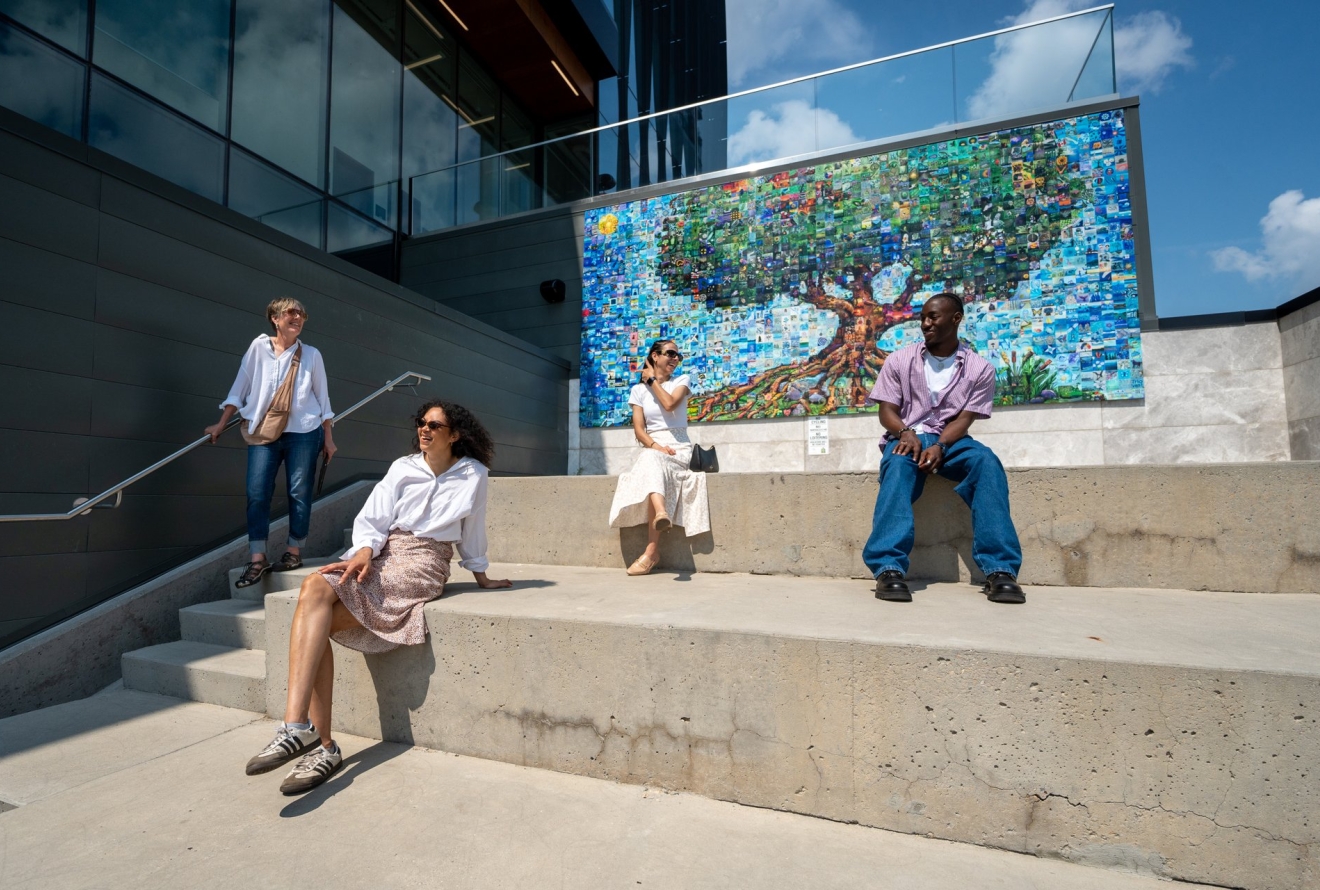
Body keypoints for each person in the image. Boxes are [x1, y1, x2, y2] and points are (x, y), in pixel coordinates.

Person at [244, 400, 512, 794]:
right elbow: (374, 517)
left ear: (454, 434)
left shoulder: (473, 473)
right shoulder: (403, 467)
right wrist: (364, 550)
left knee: (312, 632)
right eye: (421, 422)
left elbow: (473, 527)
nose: (424, 430)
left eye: (434, 425)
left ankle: (321, 745)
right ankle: (299, 728)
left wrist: (481, 574)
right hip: (384, 551)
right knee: (314, 586)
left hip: (425, 561)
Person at [863, 293, 1026, 605]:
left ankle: (1001, 571)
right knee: (897, 466)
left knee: (986, 462)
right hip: (906, 436)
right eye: (923, 317)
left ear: (955, 319)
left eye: (933, 317)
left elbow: (964, 420)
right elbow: (886, 412)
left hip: (951, 441)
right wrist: (904, 432)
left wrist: (939, 445)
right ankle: (888, 568)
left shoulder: (980, 369)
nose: (925, 324)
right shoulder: (900, 360)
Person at [207, 298, 336, 587]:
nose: (297, 317)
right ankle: (257, 558)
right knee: (257, 492)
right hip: (263, 432)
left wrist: (328, 438)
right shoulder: (258, 348)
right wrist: (220, 422)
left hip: (304, 431)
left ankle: (293, 550)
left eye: (301, 313)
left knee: (299, 491)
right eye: (291, 312)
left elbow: (323, 399)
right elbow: (239, 388)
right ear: (275, 319)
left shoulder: (312, 354)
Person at [607, 339, 711, 575]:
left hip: (680, 447)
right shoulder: (637, 391)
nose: (675, 359)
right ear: (655, 356)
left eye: (678, 356)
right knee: (651, 459)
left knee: (650, 462)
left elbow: (670, 405)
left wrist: (651, 380)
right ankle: (660, 519)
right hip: (655, 447)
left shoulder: (681, 382)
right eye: (671, 353)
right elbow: (639, 431)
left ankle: (652, 550)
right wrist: (656, 446)